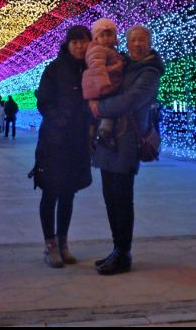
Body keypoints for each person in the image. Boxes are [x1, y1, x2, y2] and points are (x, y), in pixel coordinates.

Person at [89, 25, 165, 276]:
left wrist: (99, 109)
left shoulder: (149, 70)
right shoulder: (124, 64)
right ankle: (116, 249)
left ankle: (124, 253)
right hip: (109, 140)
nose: (137, 44)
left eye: (142, 40)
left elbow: (132, 99)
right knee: (110, 197)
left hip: (127, 141)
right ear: (127, 42)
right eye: (133, 40)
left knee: (121, 198)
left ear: (149, 43)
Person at [33, 25, 93, 268]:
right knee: (50, 191)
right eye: (75, 42)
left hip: (78, 142)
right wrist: (60, 123)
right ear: (67, 45)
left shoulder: (91, 69)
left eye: (83, 41)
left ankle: (63, 243)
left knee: (68, 192)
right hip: (54, 142)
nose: (79, 46)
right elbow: (43, 102)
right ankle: (50, 246)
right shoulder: (55, 68)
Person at [82, 18, 123, 150]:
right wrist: (104, 84)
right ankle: (103, 133)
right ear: (96, 38)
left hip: (102, 87)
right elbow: (97, 68)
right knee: (110, 109)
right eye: (102, 35)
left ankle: (93, 133)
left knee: (104, 111)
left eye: (109, 35)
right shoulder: (97, 50)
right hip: (101, 87)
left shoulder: (111, 51)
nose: (106, 38)